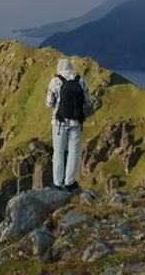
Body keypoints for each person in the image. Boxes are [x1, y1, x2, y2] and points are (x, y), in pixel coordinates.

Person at [45, 57, 93, 192]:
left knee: (58, 152)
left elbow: (49, 103)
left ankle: (57, 183)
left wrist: (58, 105)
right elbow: (88, 101)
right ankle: (69, 182)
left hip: (59, 122)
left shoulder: (55, 81)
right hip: (76, 122)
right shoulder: (80, 80)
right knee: (74, 151)